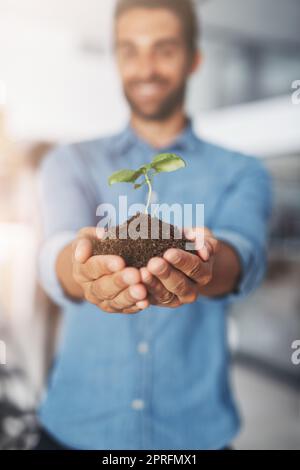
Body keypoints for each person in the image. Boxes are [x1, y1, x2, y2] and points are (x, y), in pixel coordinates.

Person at [36, 0, 272, 450]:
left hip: (195, 435)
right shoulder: (71, 162)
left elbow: (244, 255)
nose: (145, 67)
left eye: (163, 49)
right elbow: (58, 249)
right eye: (130, 50)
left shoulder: (242, 170)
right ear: (117, 58)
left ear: (194, 59)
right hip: (75, 426)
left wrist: (204, 261)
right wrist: (84, 268)